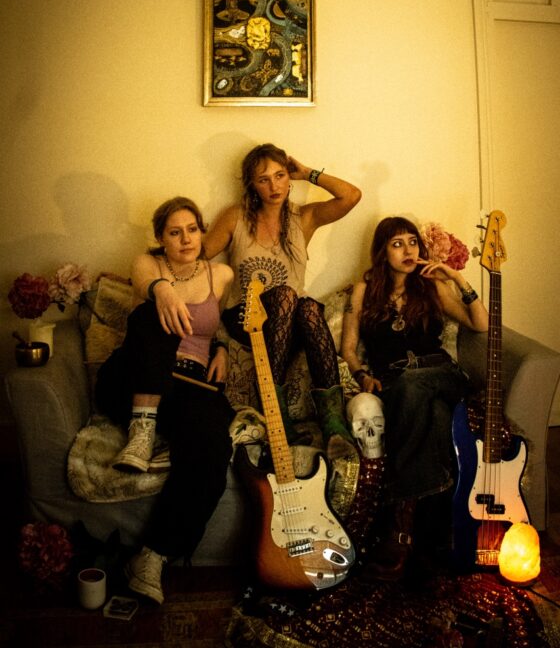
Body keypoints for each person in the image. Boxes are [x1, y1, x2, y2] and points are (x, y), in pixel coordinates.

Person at [137, 143, 362, 458]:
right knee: (286, 296)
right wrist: (156, 276)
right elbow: (195, 257)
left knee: (308, 307)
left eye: (280, 175)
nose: (274, 186)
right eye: (263, 179)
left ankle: (333, 425)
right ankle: (278, 415)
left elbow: (351, 196)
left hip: (292, 325)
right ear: (252, 185)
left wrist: (307, 173)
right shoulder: (237, 217)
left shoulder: (304, 217)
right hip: (246, 319)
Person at [94, 196, 234, 605]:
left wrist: (222, 348)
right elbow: (144, 283)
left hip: (187, 387)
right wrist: (163, 291)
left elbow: (220, 323)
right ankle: (141, 431)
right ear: (161, 238)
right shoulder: (147, 264)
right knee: (149, 315)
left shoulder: (221, 274)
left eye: (192, 229)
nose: (186, 239)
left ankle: (151, 557)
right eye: (175, 232)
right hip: (131, 377)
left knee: (212, 446)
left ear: (202, 232)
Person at [341, 215, 489, 580]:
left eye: (412, 242)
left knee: (413, 387)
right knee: (435, 418)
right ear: (382, 252)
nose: (408, 250)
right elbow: (348, 349)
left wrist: (456, 278)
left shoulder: (432, 286)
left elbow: (480, 323)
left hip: (442, 374)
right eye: (397, 244)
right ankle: (432, 539)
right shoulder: (363, 290)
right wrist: (362, 375)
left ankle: (398, 525)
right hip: (397, 383)